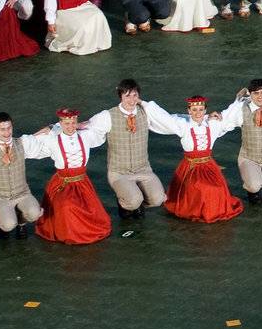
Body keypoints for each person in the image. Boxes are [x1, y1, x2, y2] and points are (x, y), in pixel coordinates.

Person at [145, 95, 245, 223]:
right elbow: (165, 118)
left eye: (200, 109)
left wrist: (239, 100)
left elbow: (228, 115)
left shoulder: (213, 124)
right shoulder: (183, 125)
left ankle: (211, 211)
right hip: (191, 167)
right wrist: (144, 104)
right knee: (202, 188)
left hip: (209, 166)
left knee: (216, 189)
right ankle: (197, 210)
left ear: (205, 110)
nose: (198, 112)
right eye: (194, 109)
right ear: (189, 111)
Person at [23, 108, 112, 245]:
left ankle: (85, 231)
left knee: (90, 210)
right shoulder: (52, 139)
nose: (70, 127)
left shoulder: (85, 136)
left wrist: (86, 124)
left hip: (82, 183)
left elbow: (102, 122)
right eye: (66, 124)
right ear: (60, 124)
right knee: (67, 207)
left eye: (73, 123)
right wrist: (51, 128)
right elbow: (31, 143)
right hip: (63, 184)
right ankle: (70, 234)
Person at [82, 81, 167, 221]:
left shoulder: (145, 113)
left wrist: (206, 117)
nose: (132, 100)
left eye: (135, 95)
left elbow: (167, 119)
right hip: (119, 172)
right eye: (127, 96)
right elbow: (86, 126)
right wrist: (53, 127)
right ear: (120, 96)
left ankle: (135, 203)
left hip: (143, 169)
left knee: (158, 199)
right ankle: (127, 204)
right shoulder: (108, 116)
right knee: (134, 200)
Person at [219, 79, 262, 203]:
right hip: (249, 157)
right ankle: (252, 190)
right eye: (256, 93)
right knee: (254, 185)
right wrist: (212, 117)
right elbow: (224, 121)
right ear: (250, 94)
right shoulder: (241, 109)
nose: (260, 96)